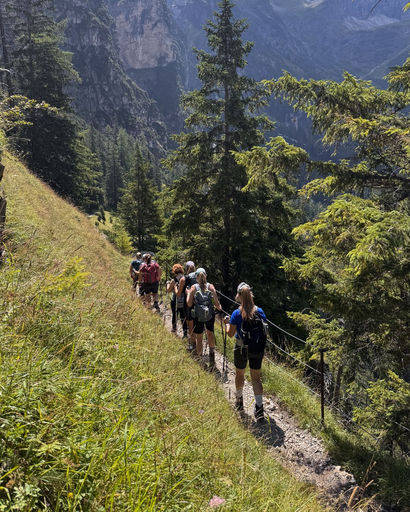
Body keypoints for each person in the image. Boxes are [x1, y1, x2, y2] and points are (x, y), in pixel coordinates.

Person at [224, 282, 267, 422]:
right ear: (251, 295)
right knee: (256, 378)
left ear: (239, 295)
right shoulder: (260, 312)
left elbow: (230, 334)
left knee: (240, 374)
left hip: (241, 347)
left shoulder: (237, 313)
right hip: (256, 348)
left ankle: (239, 401)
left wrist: (227, 324)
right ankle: (259, 409)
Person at [187, 268, 222, 368]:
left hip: (198, 316)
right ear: (205, 276)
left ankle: (200, 360)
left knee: (199, 337)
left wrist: (189, 294)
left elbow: (189, 304)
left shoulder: (194, 288)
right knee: (210, 333)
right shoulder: (211, 287)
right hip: (210, 315)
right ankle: (212, 358)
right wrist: (220, 307)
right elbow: (217, 303)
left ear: (196, 277)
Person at [167, 264, 188, 337]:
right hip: (184, 299)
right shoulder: (185, 279)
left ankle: (174, 328)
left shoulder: (173, 280)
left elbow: (169, 290)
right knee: (183, 315)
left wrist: (168, 284)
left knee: (175, 314)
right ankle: (185, 332)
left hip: (175, 299)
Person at [184, 261, 197, 350]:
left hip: (190, 303)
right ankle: (198, 342)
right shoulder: (199, 275)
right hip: (199, 303)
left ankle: (193, 343)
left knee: (190, 322)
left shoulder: (187, 277)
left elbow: (186, 290)